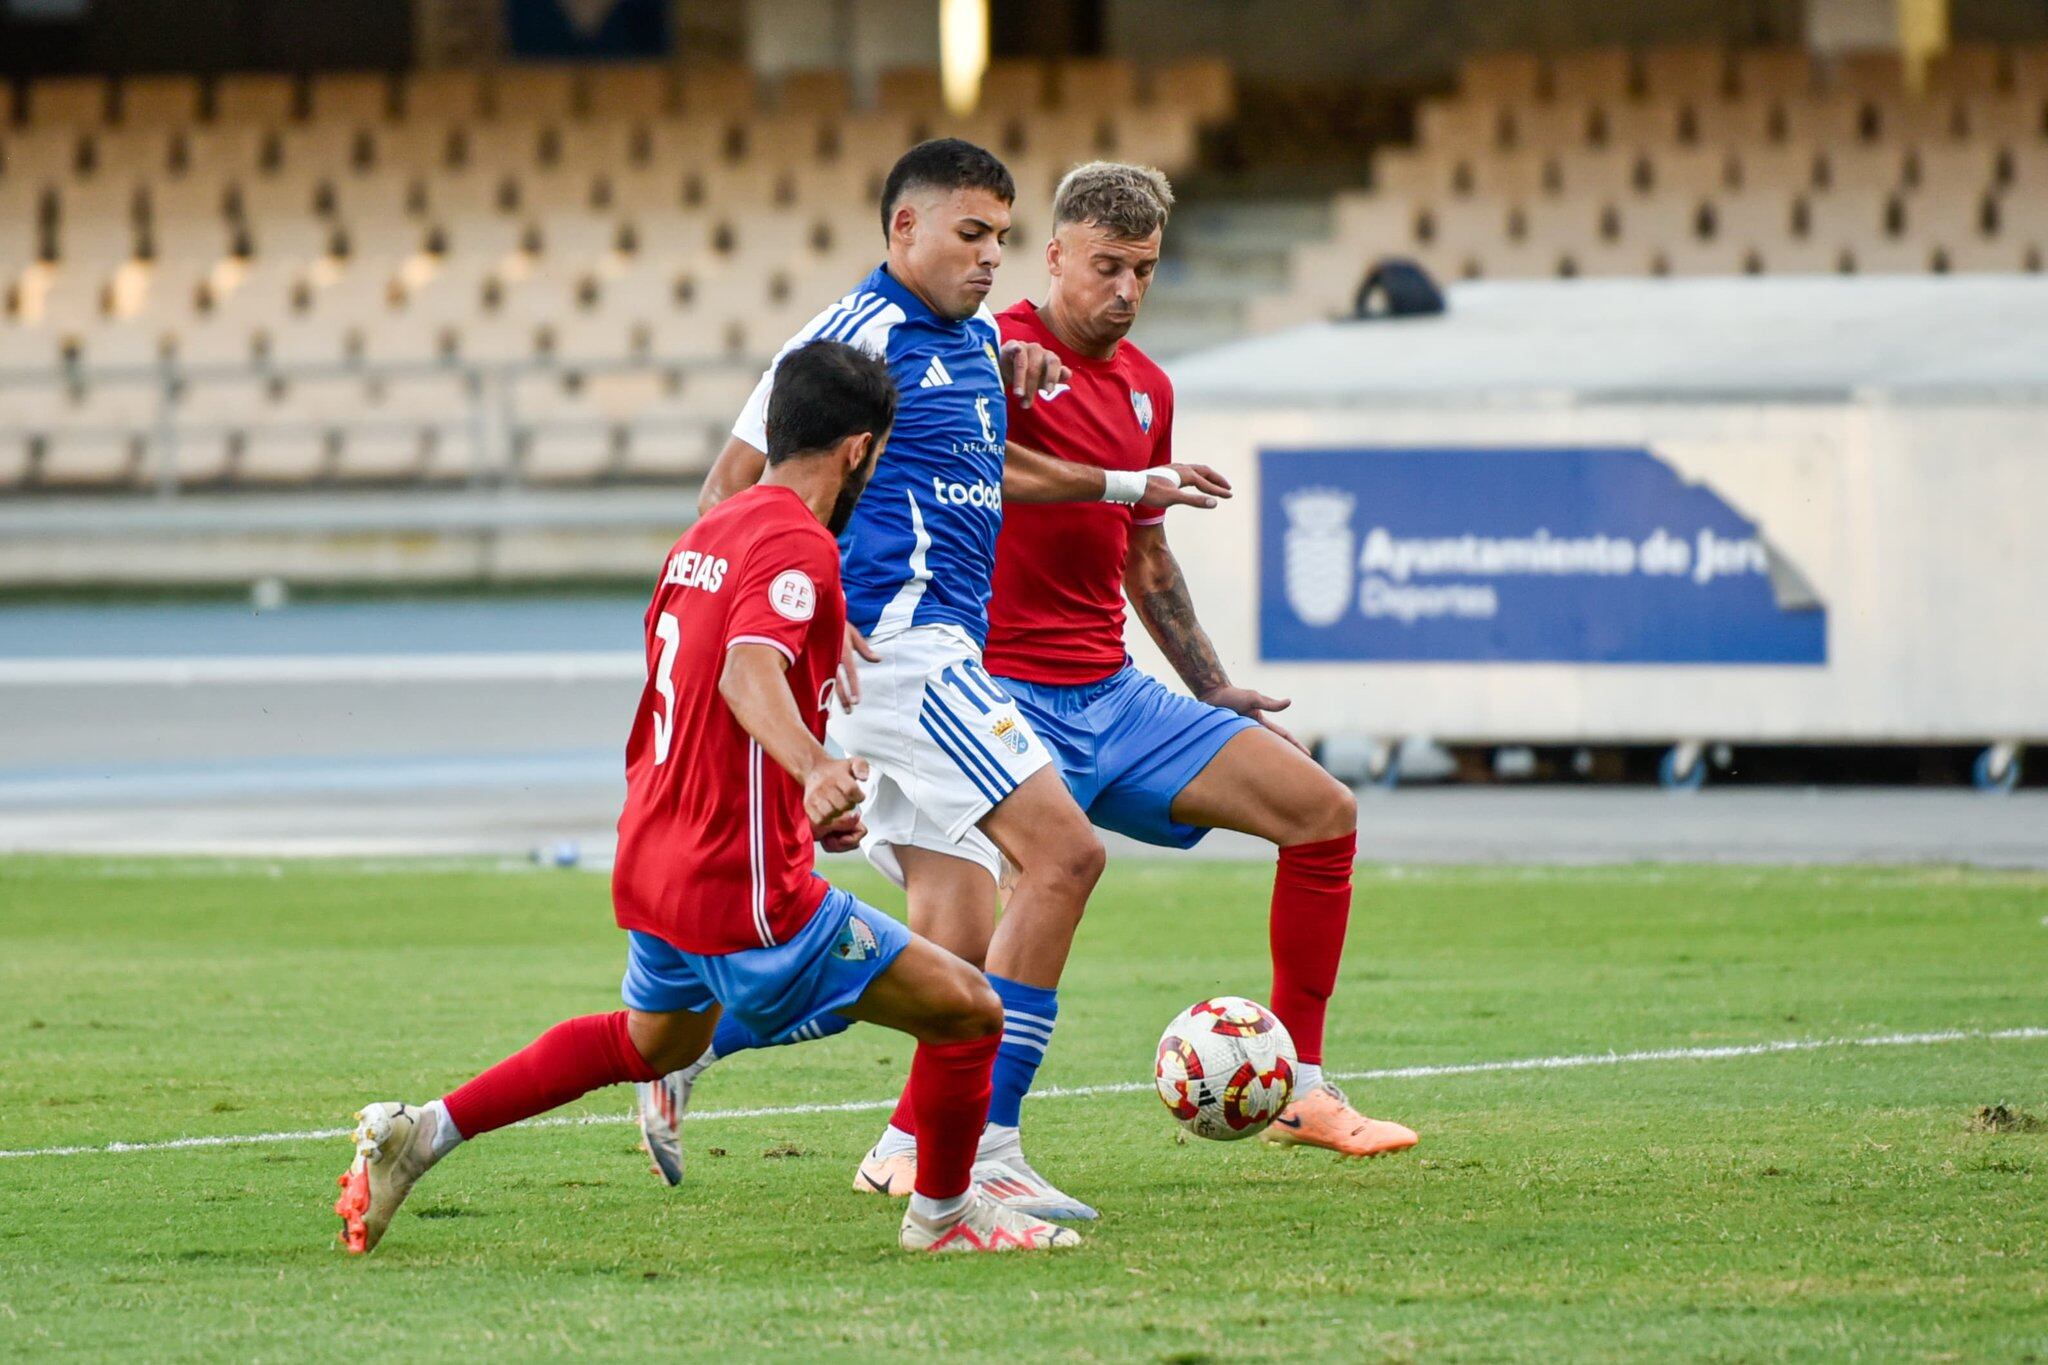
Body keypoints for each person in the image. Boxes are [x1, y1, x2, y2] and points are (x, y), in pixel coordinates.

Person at [332, 339, 1077, 1256]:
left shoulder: (704, 536)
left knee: (653, 1042)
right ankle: (945, 1216)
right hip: (739, 882)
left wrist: (800, 793)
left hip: (656, 854)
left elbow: (692, 700)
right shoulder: (799, 543)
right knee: (969, 1010)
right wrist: (811, 766)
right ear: (859, 452)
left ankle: (426, 1130)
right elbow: (745, 672)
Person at [632, 139, 1225, 1222]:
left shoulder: (964, 346)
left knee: (950, 929)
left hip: (937, 650)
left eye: (1000, 238)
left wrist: (1112, 461)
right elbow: (732, 488)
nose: (990, 258)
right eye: (969, 235)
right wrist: (791, 610)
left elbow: (985, 468)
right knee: (1064, 855)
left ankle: (701, 1047)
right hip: (901, 653)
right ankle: (982, 1154)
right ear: (902, 229)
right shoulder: (845, 337)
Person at [845, 163, 1420, 1203]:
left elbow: (1143, 555)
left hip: (1111, 692)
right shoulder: (991, 349)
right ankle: (962, 1144)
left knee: (1320, 812)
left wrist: (1210, 686)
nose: (1123, 289)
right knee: (1030, 886)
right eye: (1103, 265)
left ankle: (1301, 1083)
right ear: (1053, 252)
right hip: (995, 690)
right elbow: (966, 463)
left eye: (1143, 270)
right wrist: (1004, 369)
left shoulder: (1148, 387)